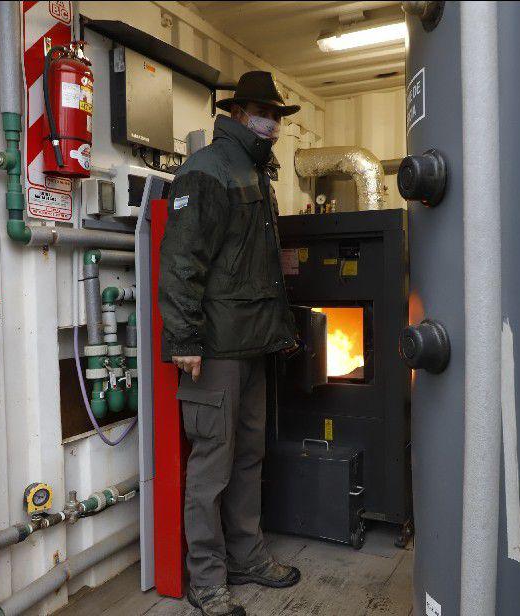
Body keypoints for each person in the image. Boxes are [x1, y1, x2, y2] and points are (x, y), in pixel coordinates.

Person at [158, 71, 302, 616]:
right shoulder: (207, 170)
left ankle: (247, 557)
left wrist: (279, 332)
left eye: (277, 115)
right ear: (239, 113)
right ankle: (207, 578)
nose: (272, 123)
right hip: (213, 349)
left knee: (248, 459)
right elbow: (182, 262)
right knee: (212, 466)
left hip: (251, 346)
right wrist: (186, 338)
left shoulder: (254, 172)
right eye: (264, 112)